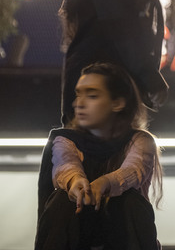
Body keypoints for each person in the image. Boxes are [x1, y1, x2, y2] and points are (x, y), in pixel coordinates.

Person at [35, 62, 163, 250]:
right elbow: (66, 164)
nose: (79, 103)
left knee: (130, 202)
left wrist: (104, 184)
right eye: (78, 94)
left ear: (117, 103)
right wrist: (76, 183)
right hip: (79, 233)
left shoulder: (140, 141)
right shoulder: (66, 139)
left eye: (92, 95)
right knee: (62, 200)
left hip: (123, 234)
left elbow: (133, 170)